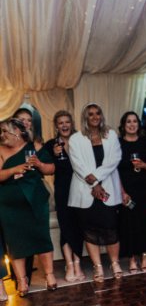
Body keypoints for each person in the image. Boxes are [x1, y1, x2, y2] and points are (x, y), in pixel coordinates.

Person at [0, 118, 58, 296]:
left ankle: (49, 276)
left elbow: (51, 168)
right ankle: (22, 281)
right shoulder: (0, 150)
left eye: (4, 131)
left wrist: (39, 164)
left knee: (41, 237)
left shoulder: (35, 147)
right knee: (16, 243)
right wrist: (14, 169)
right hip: (9, 206)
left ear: (17, 131)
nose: (1, 135)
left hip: (35, 201)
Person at [68, 103, 124, 282]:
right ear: (85, 117)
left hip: (107, 189)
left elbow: (114, 160)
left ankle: (114, 263)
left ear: (101, 115)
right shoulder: (75, 139)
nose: (94, 116)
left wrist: (97, 180)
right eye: (90, 114)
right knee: (90, 231)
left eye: (97, 113)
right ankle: (98, 267)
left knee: (111, 228)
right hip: (85, 191)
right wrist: (93, 184)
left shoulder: (111, 135)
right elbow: (77, 164)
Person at [42, 111, 85, 282]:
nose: (64, 125)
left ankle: (77, 263)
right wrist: (52, 154)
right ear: (56, 126)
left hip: (81, 189)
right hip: (63, 190)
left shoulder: (80, 140)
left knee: (79, 226)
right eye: (61, 123)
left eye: (67, 122)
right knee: (66, 227)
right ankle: (70, 265)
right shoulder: (51, 144)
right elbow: (43, 168)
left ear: (72, 123)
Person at [117, 111, 146, 272]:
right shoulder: (118, 144)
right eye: (128, 121)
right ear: (123, 125)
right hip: (126, 189)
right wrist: (121, 191)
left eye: (135, 121)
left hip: (145, 188)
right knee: (128, 223)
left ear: (139, 124)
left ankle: (145, 255)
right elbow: (115, 170)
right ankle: (132, 258)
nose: (132, 124)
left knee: (145, 221)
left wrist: (145, 166)